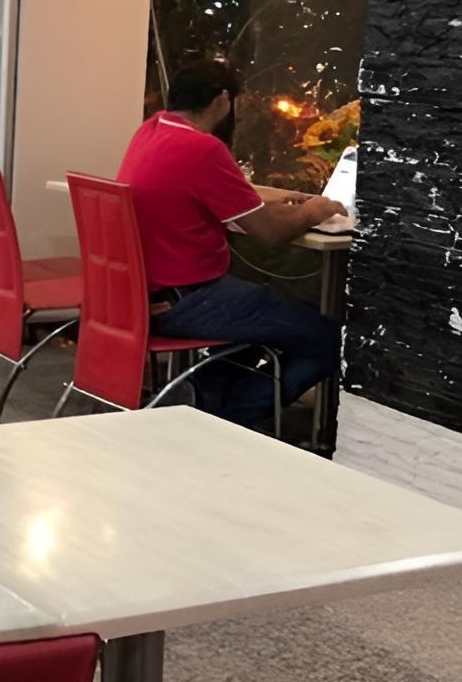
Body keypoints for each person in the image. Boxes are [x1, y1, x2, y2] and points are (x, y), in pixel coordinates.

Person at [115, 59, 346, 430]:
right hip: (187, 299)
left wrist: (272, 207)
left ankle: (207, 399)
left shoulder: (150, 132)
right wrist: (313, 211)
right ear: (223, 101)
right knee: (328, 338)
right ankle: (235, 416)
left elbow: (215, 202)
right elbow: (270, 233)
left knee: (266, 320)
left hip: (144, 294)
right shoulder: (202, 148)